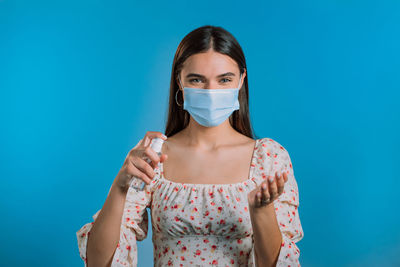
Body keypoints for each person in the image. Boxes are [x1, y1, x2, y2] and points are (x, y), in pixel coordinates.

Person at [76, 25, 304, 267]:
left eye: (224, 79)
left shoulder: (269, 157)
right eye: (197, 80)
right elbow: (98, 263)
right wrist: (120, 188)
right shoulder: (153, 154)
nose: (210, 91)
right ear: (180, 81)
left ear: (241, 81)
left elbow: (277, 263)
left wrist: (261, 211)